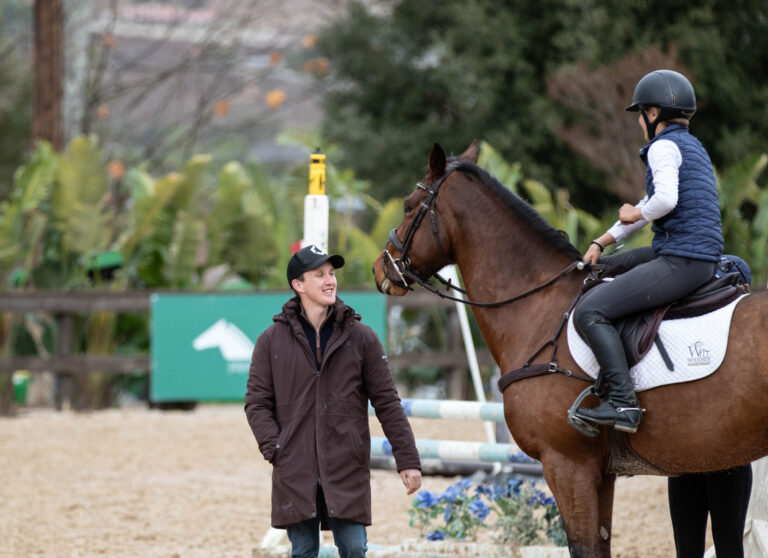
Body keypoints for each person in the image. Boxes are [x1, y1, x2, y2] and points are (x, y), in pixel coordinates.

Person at [245, 244, 422, 558]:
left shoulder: (362, 337)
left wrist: (407, 459)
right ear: (299, 285)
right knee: (303, 551)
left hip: (345, 464)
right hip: (294, 467)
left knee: (354, 548)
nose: (330, 281)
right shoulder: (269, 341)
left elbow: (387, 402)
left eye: (332, 274)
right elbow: (257, 403)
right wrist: (275, 448)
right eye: (319, 275)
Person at [572, 69, 723, 433]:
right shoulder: (691, 146)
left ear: (652, 113)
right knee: (603, 267)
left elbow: (663, 201)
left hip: (682, 259)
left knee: (590, 311)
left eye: (640, 113)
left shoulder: (662, 146)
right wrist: (600, 242)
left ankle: (623, 404)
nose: (639, 122)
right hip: (683, 253)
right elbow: (652, 202)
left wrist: (636, 212)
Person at [667, 255, 753, 558]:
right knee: (693, 550)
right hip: (692, 457)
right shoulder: (684, 327)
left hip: (715, 456)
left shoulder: (744, 338)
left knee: (726, 547)